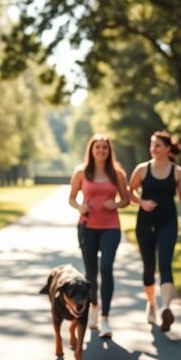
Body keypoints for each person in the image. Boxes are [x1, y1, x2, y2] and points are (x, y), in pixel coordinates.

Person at [68, 134, 130, 338]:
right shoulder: (81, 172)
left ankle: (105, 318)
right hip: (87, 227)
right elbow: (71, 198)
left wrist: (117, 204)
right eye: (97, 147)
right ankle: (93, 306)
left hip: (110, 226)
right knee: (91, 273)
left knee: (106, 268)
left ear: (109, 150)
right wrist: (80, 206)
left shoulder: (117, 173)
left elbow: (126, 199)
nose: (101, 150)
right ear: (91, 150)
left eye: (104, 147)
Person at [128, 131, 181, 332]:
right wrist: (142, 202)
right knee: (148, 266)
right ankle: (152, 304)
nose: (153, 149)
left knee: (165, 263)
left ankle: (166, 308)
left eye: (158, 145)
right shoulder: (142, 169)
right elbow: (129, 192)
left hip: (168, 222)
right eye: (152, 145)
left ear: (167, 149)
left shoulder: (177, 172)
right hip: (145, 222)